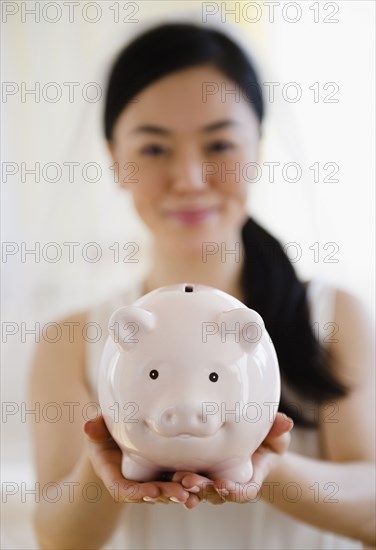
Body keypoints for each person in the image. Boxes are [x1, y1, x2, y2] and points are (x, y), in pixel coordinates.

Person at [28, 21, 375, 550]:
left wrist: (256, 464)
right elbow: (58, 538)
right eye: (154, 149)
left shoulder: (332, 314)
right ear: (115, 160)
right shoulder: (72, 339)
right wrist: (105, 469)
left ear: (257, 147)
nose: (190, 178)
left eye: (218, 143)